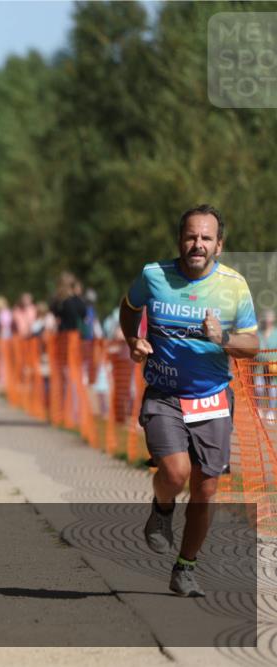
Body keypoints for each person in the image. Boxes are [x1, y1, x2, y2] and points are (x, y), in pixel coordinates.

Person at [119, 204, 258, 597]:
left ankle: (185, 567)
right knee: (176, 473)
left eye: (206, 238)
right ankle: (162, 508)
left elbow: (252, 344)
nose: (198, 244)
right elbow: (129, 307)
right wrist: (133, 339)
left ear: (219, 245)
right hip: (165, 394)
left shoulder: (234, 286)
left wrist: (222, 338)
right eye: (191, 236)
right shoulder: (154, 275)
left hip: (212, 398)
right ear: (180, 240)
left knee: (206, 489)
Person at [255, 309, 277, 424]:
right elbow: (255, 351)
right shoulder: (259, 334)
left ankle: (271, 411)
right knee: (259, 388)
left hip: (273, 368)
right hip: (259, 367)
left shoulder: (276, 334)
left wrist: (272, 359)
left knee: (272, 390)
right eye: (266, 318)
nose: (268, 320)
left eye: (270, 318)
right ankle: (258, 409)